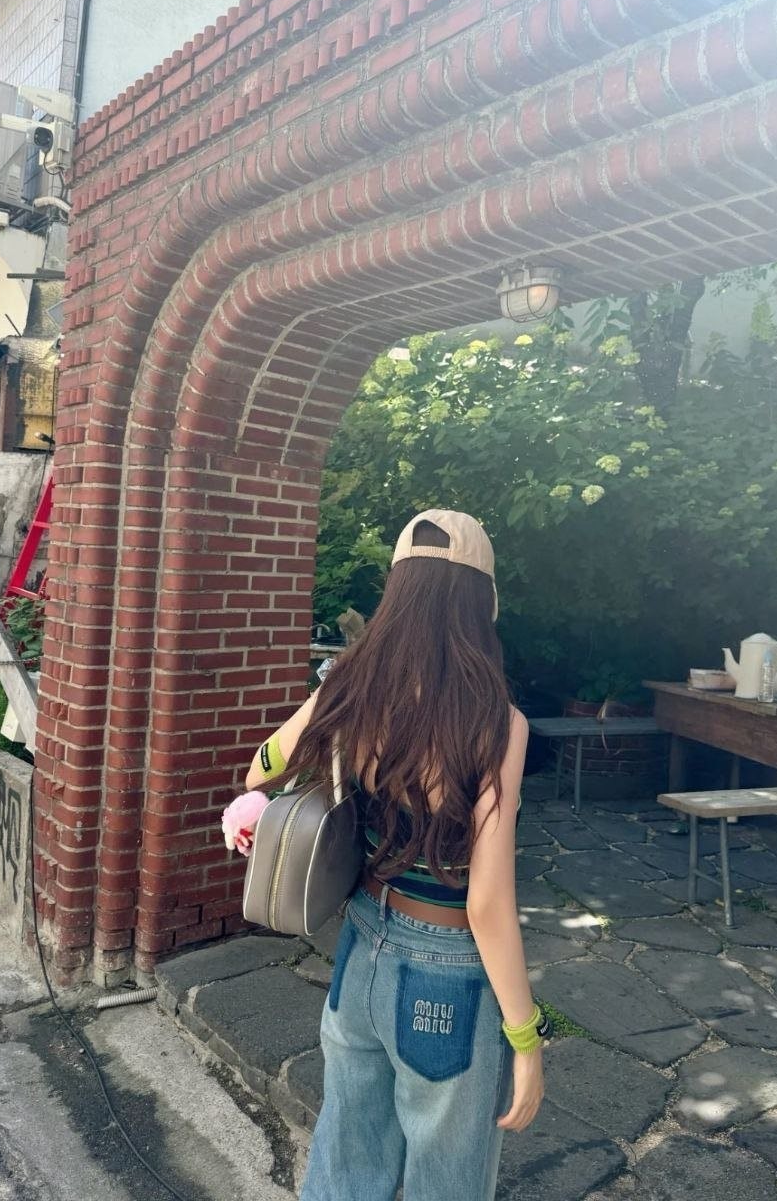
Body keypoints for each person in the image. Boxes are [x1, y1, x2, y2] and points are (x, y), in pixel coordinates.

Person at [244, 509, 546, 1201]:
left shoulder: (350, 688)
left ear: (398, 594)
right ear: (481, 603)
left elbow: (260, 767)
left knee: (347, 1163)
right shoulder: (498, 725)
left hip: (360, 948)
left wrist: (311, 726)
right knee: (448, 1182)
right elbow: (486, 903)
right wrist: (527, 1037)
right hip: (448, 973)